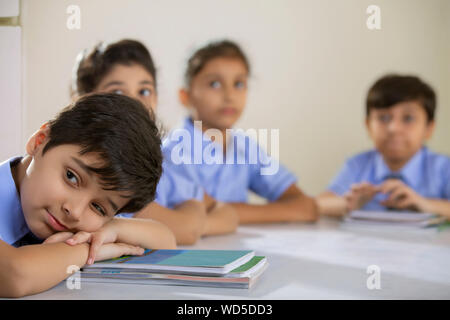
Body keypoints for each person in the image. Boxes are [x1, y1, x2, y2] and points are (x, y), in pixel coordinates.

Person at [0, 93, 176, 298]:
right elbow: (14, 275)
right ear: (40, 141)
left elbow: (166, 242)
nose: (74, 212)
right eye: (71, 177)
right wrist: (87, 250)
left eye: (98, 208)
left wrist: (113, 229)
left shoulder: (87, 221)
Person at [72, 39, 238, 243]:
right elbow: (184, 230)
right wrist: (194, 216)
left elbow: (227, 213)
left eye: (144, 91)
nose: (134, 103)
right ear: (83, 99)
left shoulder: (166, 161)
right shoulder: (95, 165)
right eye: (117, 92)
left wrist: (194, 224)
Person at [163, 39, 318, 224]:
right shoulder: (171, 152)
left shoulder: (245, 147)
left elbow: (306, 207)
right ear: (185, 96)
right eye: (214, 84)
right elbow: (196, 215)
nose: (229, 96)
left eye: (238, 84)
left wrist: (226, 213)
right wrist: (276, 211)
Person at [317, 74, 450, 219]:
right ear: (368, 126)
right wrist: (348, 203)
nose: (393, 128)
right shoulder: (357, 165)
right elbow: (317, 205)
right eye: (383, 118)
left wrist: (424, 204)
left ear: (429, 128)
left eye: (408, 118)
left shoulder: (443, 168)